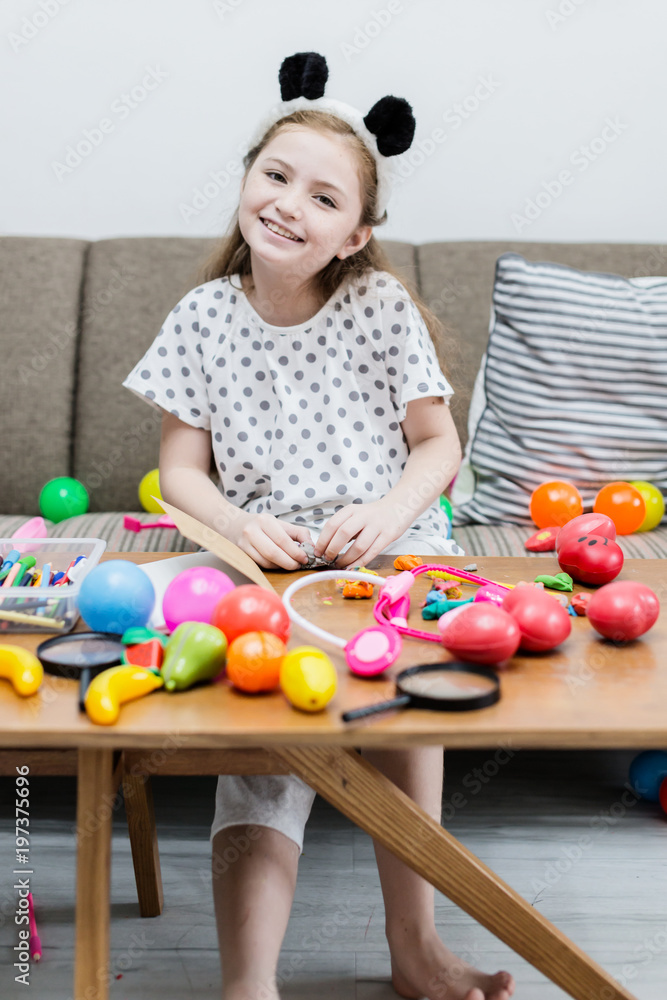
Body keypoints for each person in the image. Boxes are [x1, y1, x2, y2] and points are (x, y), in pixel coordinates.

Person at [123, 51, 514, 1000]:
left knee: (410, 717)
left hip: (385, 553)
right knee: (263, 760)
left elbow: (435, 447)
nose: (290, 201)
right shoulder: (203, 316)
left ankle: (413, 948)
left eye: (323, 195)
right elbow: (179, 472)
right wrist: (240, 525)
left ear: (355, 235)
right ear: (247, 182)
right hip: (264, 562)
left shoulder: (378, 306)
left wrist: (385, 516)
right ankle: (247, 984)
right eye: (276, 174)